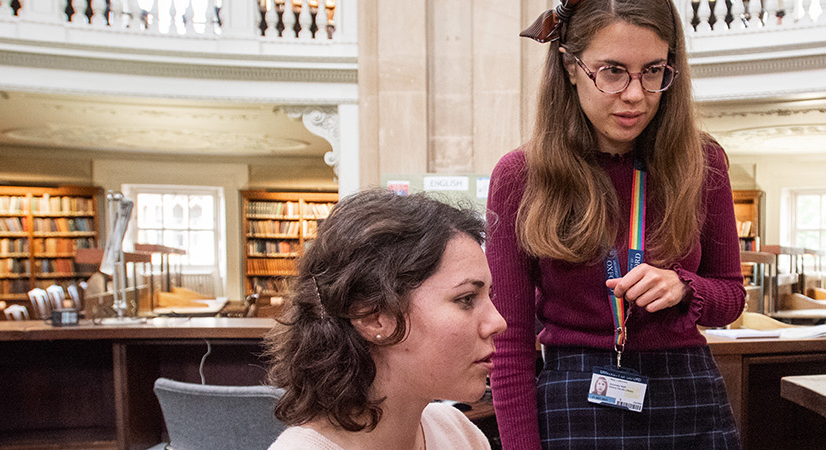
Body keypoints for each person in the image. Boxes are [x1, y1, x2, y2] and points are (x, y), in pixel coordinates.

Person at [486, 0, 747, 448]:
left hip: (687, 391)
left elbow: (731, 297)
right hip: (574, 394)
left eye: (653, 71)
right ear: (570, 66)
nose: (635, 95)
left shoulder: (703, 162)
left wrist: (686, 288)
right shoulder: (519, 176)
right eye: (611, 71)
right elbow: (509, 345)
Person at [263, 190, 505, 450]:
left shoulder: (459, 434)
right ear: (372, 316)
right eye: (466, 299)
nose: (498, 322)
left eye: (488, 296)